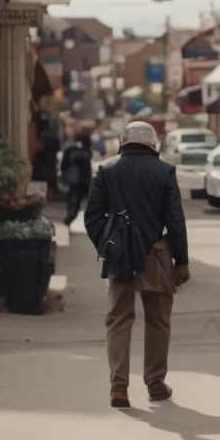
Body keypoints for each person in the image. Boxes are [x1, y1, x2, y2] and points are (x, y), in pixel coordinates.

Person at [87, 121, 190, 408]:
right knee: (158, 321)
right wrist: (181, 261)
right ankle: (155, 382)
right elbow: (175, 221)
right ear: (152, 144)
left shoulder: (106, 169)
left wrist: (108, 244)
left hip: (120, 257)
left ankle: (118, 387)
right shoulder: (164, 171)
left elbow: (92, 217)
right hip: (156, 254)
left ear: (123, 142)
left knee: (118, 320)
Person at [59, 130, 94, 224]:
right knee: (78, 200)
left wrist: (63, 174)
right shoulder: (87, 152)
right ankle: (72, 214)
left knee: (71, 197)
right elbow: (88, 168)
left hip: (72, 178)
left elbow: (64, 165)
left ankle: (70, 213)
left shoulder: (70, 150)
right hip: (82, 179)